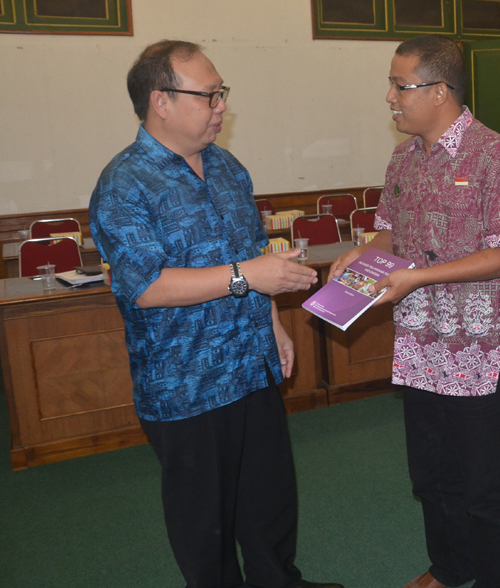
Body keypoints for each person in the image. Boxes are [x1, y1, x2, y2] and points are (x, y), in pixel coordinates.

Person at [89, 40, 342, 588]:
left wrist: (272, 323)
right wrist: (247, 277)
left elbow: (252, 254)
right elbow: (145, 286)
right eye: (209, 95)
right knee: (204, 521)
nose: (221, 105)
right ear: (161, 101)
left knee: (270, 497)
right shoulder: (123, 184)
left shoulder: (228, 168)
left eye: (220, 93)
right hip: (187, 385)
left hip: (251, 366)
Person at [329, 35, 500, 588]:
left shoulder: (496, 156)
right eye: (391, 85)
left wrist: (417, 276)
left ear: (439, 91)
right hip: (419, 345)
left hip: (478, 351)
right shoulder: (403, 158)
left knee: (483, 486)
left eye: (400, 85)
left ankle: (494, 579)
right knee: (431, 476)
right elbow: (390, 235)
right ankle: (450, 568)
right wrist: (358, 257)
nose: (390, 97)